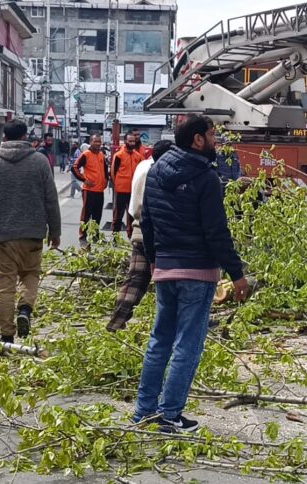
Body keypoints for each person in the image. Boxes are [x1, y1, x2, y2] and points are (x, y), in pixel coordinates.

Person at [134, 115, 250, 432]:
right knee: (188, 345)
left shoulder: (156, 170)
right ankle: (170, 414)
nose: (216, 141)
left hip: (165, 269)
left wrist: (155, 260)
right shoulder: (206, 177)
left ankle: (144, 412)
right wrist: (237, 274)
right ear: (197, 139)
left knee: (160, 341)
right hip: (197, 272)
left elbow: (147, 221)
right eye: (212, 135)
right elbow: (216, 232)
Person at [0, 120, 61, 343]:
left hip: (3, 235)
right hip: (33, 233)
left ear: (4, 137)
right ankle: (25, 309)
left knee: (5, 287)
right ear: (25, 136)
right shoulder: (40, 161)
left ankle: (7, 336)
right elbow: (51, 199)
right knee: (31, 274)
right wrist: (55, 231)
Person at [108, 140, 174, 332]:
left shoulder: (143, 166)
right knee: (162, 283)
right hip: (152, 232)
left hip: (140, 230)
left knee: (135, 281)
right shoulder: (156, 172)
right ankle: (167, 327)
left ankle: (116, 322)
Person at [71, 135, 109, 241]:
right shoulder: (86, 154)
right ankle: (83, 235)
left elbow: (105, 168)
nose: (98, 143)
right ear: (91, 142)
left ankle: (95, 236)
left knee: (98, 215)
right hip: (89, 190)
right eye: (95, 141)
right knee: (86, 214)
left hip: (100, 190)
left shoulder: (101, 154)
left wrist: (106, 179)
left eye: (99, 141)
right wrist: (84, 179)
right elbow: (74, 167)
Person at [111, 133, 145, 232]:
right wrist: (117, 185)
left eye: (133, 141)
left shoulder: (138, 156)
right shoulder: (118, 155)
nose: (132, 143)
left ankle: (131, 236)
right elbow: (113, 173)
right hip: (121, 190)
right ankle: (115, 237)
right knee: (118, 215)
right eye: (130, 141)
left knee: (132, 215)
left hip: (133, 191)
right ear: (125, 141)